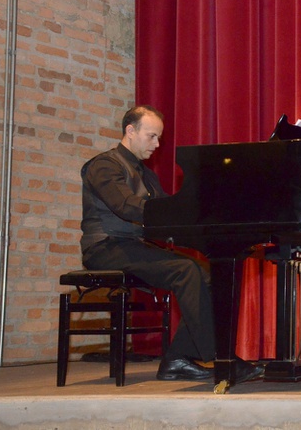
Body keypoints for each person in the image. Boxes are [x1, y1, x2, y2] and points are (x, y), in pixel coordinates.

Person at [79, 105, 263, 383]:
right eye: (152, 136)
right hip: (105, 247)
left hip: (131, 247)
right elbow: (125, 206)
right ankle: (220, 358)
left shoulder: (146, 175)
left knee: (209, 272)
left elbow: (168, 217)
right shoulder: (104, 165)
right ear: (130, 131)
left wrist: (203, 228)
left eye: (159, 138)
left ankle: (177, 359)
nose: (157, 144)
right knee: (186, 270)